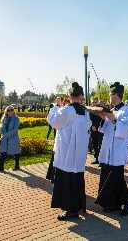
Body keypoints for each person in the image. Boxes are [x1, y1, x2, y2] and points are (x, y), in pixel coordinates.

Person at [46, 83, 91, 221]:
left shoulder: (65, 110)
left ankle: (71, 210)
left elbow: (53, 122)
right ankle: (79, 206)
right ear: (81, 97)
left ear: (69, 96)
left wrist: (55, 107)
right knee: (77, 180)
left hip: (66, 154)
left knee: (66, 182)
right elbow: (88, 126)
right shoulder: (86, 112)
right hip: (78, 155)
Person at [95, 82, 128, 216]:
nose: (109, 96)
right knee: (110, 177)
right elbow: (103, 129)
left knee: (117, 178)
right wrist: (103, 119)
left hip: (118, 150)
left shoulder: (127, 110)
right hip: (108, 149)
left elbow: (126, 129)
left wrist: (113, 120)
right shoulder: (111, 110)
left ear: (116, 95)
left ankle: (127, 203)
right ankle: (114, 204)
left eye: (111, 94)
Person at [89, 98, 103, 164]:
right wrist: (92, 126)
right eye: (93, 102)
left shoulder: (101, 110)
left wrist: (96, 127)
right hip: (92, 130)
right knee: (94, 144)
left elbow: (101, 120)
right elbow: (89, 119)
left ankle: (101, 160)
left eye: (95, 102)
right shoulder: (90, 110)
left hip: (100, 130)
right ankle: (97, 158)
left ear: (97, 102)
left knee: (100, 145)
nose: (94, 103)